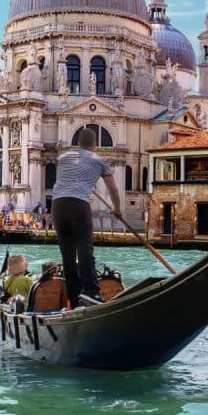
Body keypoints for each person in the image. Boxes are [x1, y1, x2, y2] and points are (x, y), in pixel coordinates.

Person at [52, 127, 122, 307]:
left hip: (58, 206)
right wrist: (118, 209)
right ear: (95, 144)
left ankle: (74, 300)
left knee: (67, 255)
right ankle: (91, 292)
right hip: (78, 205)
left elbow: (66, 180)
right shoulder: (99, 161)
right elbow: (113, 189)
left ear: (78, 142)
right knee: (84, 249)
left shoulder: (63, 158)